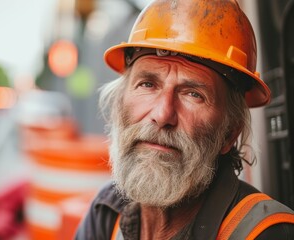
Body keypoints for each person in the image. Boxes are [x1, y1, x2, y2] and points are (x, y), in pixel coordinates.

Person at [75, 0, 294, 239]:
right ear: (119, 105)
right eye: (147, 84)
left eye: (193, 94)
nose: (162, 115)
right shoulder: (108, 212)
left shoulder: (265, 233)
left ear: (229, 132)